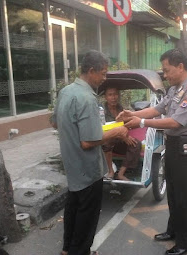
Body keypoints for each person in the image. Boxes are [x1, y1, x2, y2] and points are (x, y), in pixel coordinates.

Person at [117, 48, 187, 255]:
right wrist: (133, 114)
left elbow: (175, 122)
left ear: (180, 67)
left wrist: (143, 122)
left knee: (184, 197)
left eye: (167, 70)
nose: (165, 75)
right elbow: (158, 109)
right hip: (173, 147)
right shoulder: (174, 89)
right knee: (173, 193)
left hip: (186, 149)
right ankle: (173, 231)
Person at [51, 50, 130, 255]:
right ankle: (80, 251)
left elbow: (54, 122)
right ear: (91, 70)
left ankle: (67, 249)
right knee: (86, 219)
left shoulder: (66, 91)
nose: (104, 79)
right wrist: (118, 131)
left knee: (73, 209)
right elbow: (88, 142)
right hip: (87, 169)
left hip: (72, 165)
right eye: (102, 73)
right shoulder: (87, 98)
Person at [102, 86, 141, 181]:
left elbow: (126, 124)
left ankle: (121, 173)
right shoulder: (102, 110)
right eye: (110, 95)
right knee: (107, 142)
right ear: (105, 97)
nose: (113, 97)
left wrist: (126, 137)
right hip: (106, 140)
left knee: (136, 144)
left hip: (119, 140)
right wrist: (123, 137)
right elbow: (103, 129)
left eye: (115, 94)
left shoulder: (121, 108)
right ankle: (111, 171)